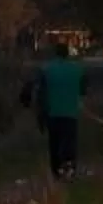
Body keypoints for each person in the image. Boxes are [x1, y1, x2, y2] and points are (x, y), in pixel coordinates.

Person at [23, 42, 88, 178]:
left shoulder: (47, 69)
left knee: (54, 141)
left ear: (55, 53)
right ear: (68, 54)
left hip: (52, 111)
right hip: (71, 112)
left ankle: (56, 170)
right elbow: (83, 90)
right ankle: (69, 167)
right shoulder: (77, 69)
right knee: (69, 140)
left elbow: (36, 86)